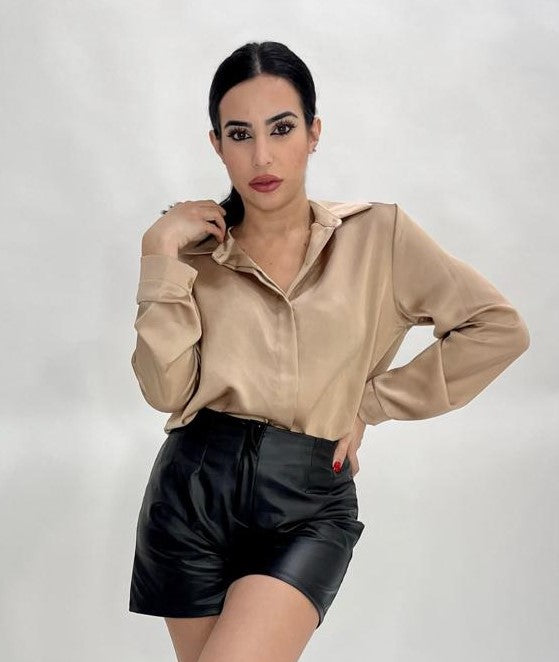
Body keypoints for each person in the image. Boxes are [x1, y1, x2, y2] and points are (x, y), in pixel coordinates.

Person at [128, 41, 530, 662]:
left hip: (309, 500)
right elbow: (166, 392)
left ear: (314, 133)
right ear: (217, 145)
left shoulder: (378, 236)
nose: (262, 156)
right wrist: (159, 256)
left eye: (282, 128)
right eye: (240, 134)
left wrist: (371, 403)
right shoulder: (193, 256)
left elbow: (497, 327)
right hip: (192, 495)